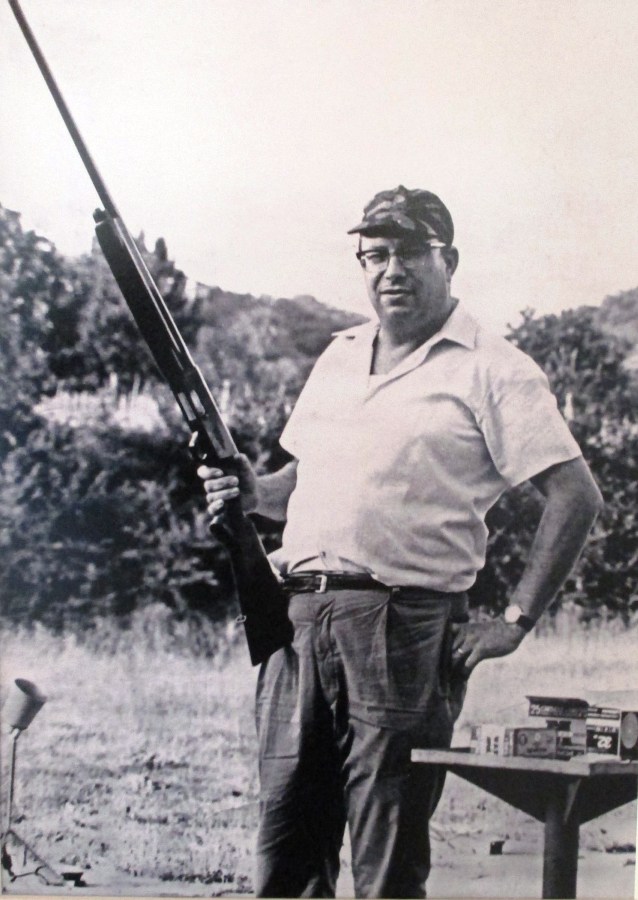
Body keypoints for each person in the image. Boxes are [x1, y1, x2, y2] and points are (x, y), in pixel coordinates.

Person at [198, 185, 603, 899]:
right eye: (375, 255)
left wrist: (514, 621)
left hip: (400, 627)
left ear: (450, 260)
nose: (392, 270)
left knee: (386, 862)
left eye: (411, 252)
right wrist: (251, 492)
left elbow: (576, 496)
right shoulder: (340, 355)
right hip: (296, 622)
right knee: (286, 855)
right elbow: (298, 482)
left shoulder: (495, 367)